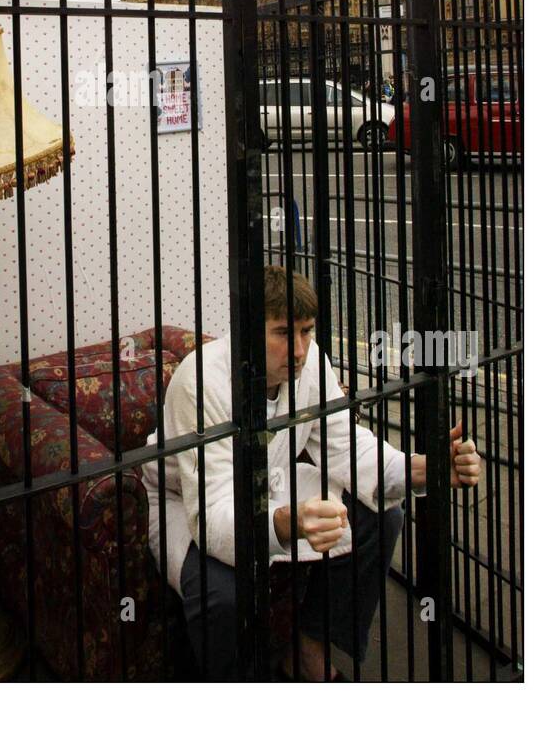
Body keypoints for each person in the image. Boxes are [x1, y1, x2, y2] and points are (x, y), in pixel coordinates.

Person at [142, 266, 482, 680]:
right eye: (284, 333)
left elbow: (346, 444)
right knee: (224, 596)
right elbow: (210, 513)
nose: (301, 349)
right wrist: (286, 524)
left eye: (307, 331)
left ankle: (309, 645)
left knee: (381, 517)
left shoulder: (311, 362)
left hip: (268, 485)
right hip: (186, 503)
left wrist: (421, 469)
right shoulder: (200, 382)